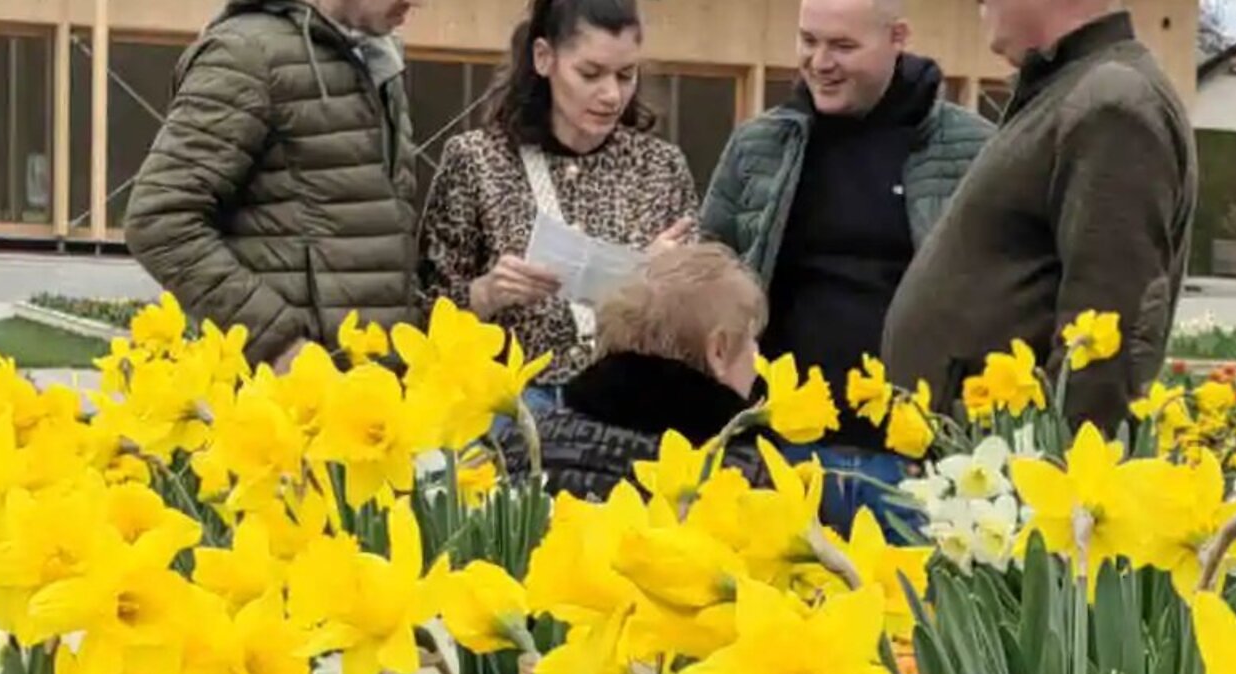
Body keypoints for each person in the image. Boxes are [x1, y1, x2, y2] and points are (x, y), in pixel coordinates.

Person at [700, 0, 992, 533]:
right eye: (808, 41)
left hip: (915, 464)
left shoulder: (971, 151)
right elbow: (709, 273)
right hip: (779, 453)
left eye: (842, 46)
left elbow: (1000, 295)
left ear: (898, 37)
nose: (819, 62)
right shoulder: (760, 145)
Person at [881, 0, 1197, 429]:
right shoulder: (1067, 90)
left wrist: (1054, 474)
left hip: (1017, 476)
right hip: (985, 461)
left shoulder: (1109, 101)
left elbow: (1107, 340)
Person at [419, 0, 699, 421]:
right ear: (544, 58)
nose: (611, 95)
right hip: (511, 412)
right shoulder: (476, 161)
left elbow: (699, 318)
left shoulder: (661, 167)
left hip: (626, 412)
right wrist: (485, 294)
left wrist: (659, 282)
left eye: (626, 75)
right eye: (590, 74)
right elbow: (423, 313)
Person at [126, 0, 423, 370]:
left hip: (373, 401)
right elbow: (159, 220)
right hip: (288, 408)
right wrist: (276, 343)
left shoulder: (379, 63)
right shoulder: (246, 54)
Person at [500, 244, 767, 500]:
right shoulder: (739, 477)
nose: (757, 356)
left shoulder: (520, 444)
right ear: (718, 350)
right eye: (751, 338)